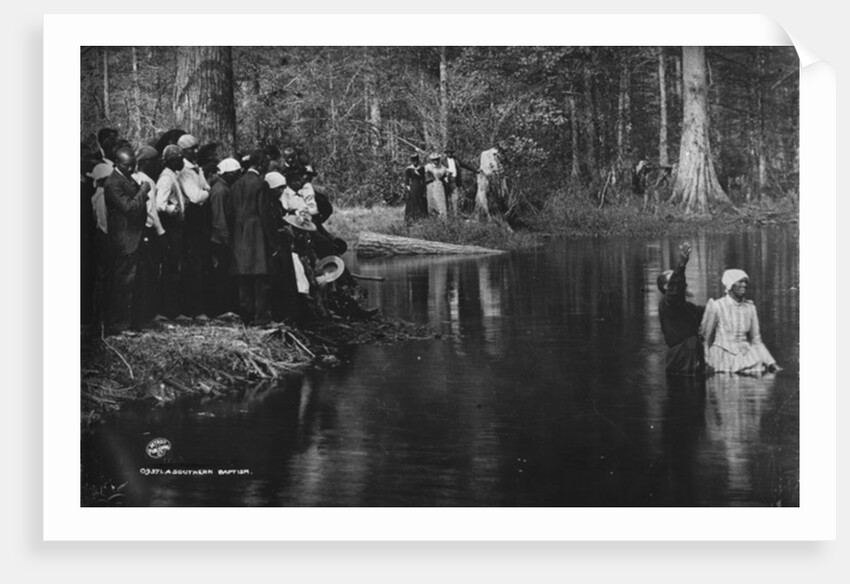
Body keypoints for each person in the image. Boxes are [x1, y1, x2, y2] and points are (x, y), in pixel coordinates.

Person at [103, 147, 151, 334]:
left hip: (134, 237)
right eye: (128, 166)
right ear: (117, 163)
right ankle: (120, 325)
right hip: (124, 240)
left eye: (133, 165)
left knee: (134, 284)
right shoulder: (113, 183)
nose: (132, 169)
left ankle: (132, 323)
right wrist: (143, 192)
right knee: (124, 284)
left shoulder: (126, 178)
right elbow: (129, 208)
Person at [226, 149, 274, 326]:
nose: (267, 167)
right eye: (266, 164)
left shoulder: (236, 185)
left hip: (239, 234)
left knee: (244, 277)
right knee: (260, 277)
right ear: (260, 164)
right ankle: (261, 317)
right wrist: (273, 241)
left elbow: (230, 213)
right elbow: (265, 215)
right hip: (257, 233)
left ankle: (245, 316)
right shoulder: (261, 184)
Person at [700, 269, 780, 375]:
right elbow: (704, 339)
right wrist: (705, 361)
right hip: (721, 358)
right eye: (740, 281)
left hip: (747, 355)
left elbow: (756, 340)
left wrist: (771, 362)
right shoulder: (717, 306)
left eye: (745, 282)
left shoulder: (750, 307)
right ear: (730, 284)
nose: (744, 285)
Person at [175, 134, 212, 321]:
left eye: (197, 148)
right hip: (189, 221)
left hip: (199, 220)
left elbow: (204, 189)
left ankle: (198, 307)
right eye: (192, 149)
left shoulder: (196, 169)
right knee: (191, 265)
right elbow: (196, 196)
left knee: (200, 263)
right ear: (183, 151)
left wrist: (204, 192)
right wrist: (205, 192)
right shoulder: (183, 170)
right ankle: (191, 309)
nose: (196, 152)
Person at [657, 242, 707, 376]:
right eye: (675, 280)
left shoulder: (687, 307)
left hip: (691, 357)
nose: (683, 283)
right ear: (667, 287)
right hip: (681, 359)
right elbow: (675, 291)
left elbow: (707, 313)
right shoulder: (668, 303)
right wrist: (681, 265)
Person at [132, 146, 167, 323]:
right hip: (148, 230)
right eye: (154, 162)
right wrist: (161, 233)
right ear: (145, 163)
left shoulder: (135, 178)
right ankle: (148, 312)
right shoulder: (147, 181)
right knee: (149, 272)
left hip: (138, 230)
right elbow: (151, 210)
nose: (158, 165)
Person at [155, 145, 186, 319]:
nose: (182, 161)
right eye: (179, 158)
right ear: (172, 161)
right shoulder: (166, 179)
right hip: (172, 227)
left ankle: (172, 308)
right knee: (171, 268)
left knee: (174, 268)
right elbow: (160, 203)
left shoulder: (173, 176)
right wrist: (172, 209)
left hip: (177, 227)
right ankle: (169, 309)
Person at [208, 157, 241, 316]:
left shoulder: (225, 188)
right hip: (220, 239)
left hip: (223, 237)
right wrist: (225, 239)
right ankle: (218, 308)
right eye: (234, 173)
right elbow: (219, 218)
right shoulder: (220, 190)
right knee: (221, 275)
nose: (236, 176)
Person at [444, 148, 476, 216]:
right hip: (446, 181)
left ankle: (455, 215)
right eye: (448, 152)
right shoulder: (443, 161)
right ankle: (446, 214)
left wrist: (474, 170)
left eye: (451, 152)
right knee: (445, 198)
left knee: (455, 197)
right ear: (446, 153)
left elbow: (465, 165)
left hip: (454, 180)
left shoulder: (456, 160)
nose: (449, 154)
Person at [404, 153, 428, 222]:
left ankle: (421, 218)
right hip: (413, 187)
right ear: (411, 161)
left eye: (416, 160)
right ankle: (412, 219)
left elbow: (423, 179)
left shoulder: (421, 168)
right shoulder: (408, 169)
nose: (415, 162)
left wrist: (424, 188)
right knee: (412, 202)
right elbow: (407, 180)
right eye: (413, 160)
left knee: (421, 202)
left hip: (420, 187)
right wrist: (408, 189)